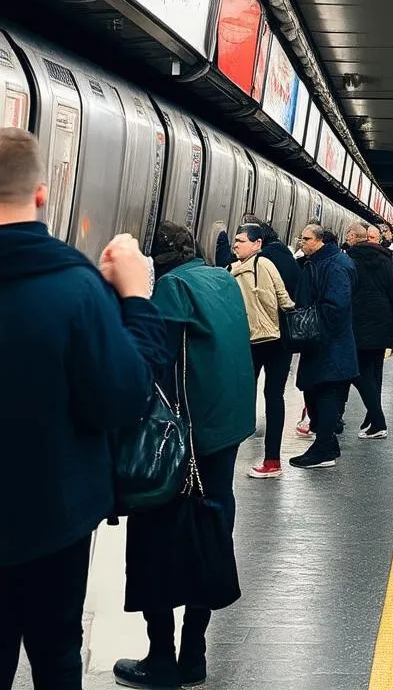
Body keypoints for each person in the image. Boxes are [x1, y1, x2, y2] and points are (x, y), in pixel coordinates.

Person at [0, 129, 169, 690]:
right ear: (43, 195)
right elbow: (124, 398)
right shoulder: (75, 289)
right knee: (55, 653)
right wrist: (136, 301)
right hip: (55, 515)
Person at [115, 221, 256, 690]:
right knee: (211, 540)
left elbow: (148, 357)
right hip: (225, 433)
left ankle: (161, 659)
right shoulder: (221, 279)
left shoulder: (174, 288)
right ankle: (193, 655)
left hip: (185, 441)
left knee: (154, 542)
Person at [229, 223, 295, 478]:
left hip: (267, 341)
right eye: (235, 241)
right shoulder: (234, 268)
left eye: (241, 241)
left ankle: (271, 459)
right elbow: (285, 300)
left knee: (268, 396)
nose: (236, 245)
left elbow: (280, 296)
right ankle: (270, 460)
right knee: (268, 396)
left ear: (257, 244)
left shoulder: (259, 264)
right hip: (269, 339)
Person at [290, 223, 359, 467]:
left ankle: (323, 448)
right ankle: (327, 444)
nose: (302, 242)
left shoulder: (335, 266)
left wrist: (313, 326)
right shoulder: (322, 262)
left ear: (319, 241)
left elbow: (337, 306)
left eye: (306, 238)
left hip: (328, 342)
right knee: (315, 390)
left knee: (326, 391)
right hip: (324, 341)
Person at [344, 222, 393, 440]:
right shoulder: (385, 259)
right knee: (375, 372)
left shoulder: (349, 260)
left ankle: (377, 420)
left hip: (358, 321)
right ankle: (372, 418)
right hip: (382, 320)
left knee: (356, 370)